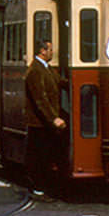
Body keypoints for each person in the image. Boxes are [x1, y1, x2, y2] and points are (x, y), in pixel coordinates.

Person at [25, 38, 67, 193]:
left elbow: (59, 82)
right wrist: (53, 118)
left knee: (47, 153)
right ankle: (38, 186)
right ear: (42, 51)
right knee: (40, 155)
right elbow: (39, 98)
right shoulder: (35, 70)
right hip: (39, 122)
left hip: (45, 121)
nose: (52, 52)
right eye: (50, 49)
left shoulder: (47, 68)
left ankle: (45, 184)